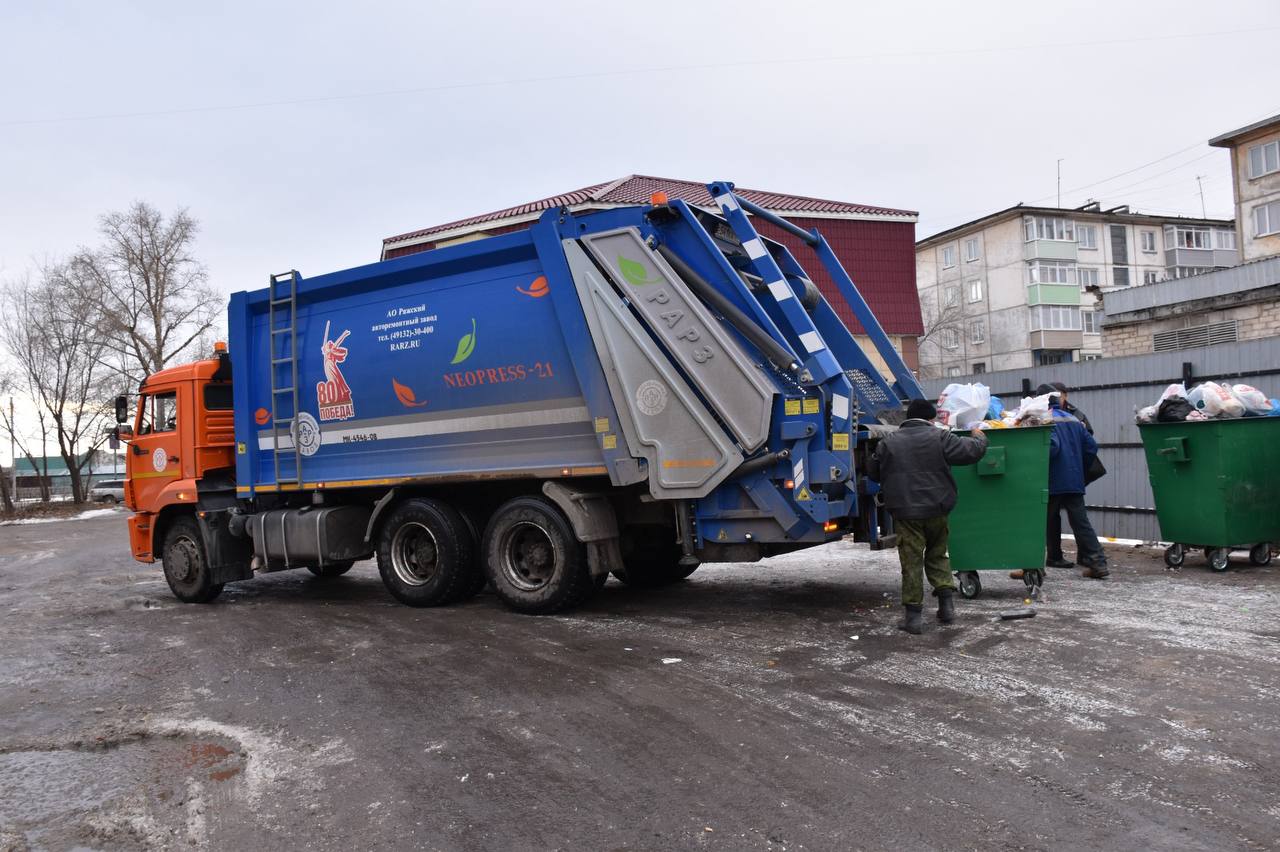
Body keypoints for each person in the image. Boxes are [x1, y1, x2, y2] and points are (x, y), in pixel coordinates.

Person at [866, 399, 988, 635]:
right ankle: (946, 608)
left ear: (907, 419)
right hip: (937, 508)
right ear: (930, 419)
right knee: (937, 554)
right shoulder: (941, 438)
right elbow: (971, 452)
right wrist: (980, 437)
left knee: (911, 561)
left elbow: (873, 472)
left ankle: (913, 619)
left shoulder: (888, 442)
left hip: (906, 512)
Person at [1044, 393, 1109, 579]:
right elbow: (1091, 447)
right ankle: (1098, 563)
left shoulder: (1046, 420)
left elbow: (1052, 448)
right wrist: (1080, 467)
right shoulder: (1073, 419)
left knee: (1044, 521)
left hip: (1053, 480)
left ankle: (1034, 565)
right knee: (1081, 523)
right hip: (1074, 480)